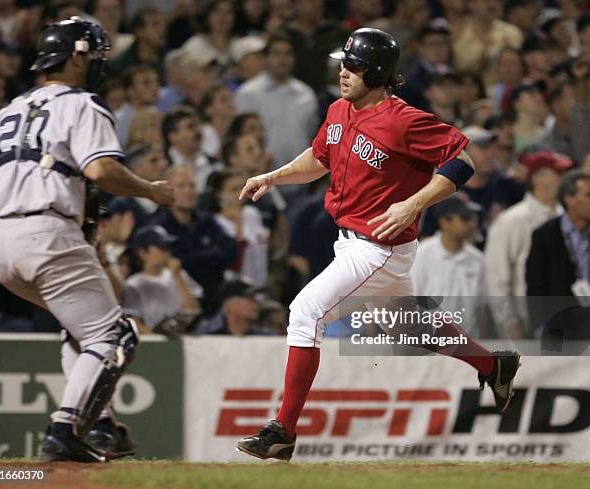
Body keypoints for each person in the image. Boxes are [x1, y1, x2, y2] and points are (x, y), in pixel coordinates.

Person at [235, 28, 521, 462]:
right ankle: (492, 364)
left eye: (352, 66)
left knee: (305, 311)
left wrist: (414, 202)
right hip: (352, 243)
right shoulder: (338, 109)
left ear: (376, 72)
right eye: (343, 63)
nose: (343, 72)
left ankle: (283, 431)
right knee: (404, 324)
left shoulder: (403, 119)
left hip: (379, 247)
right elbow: (318, 158)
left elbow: (462, 160)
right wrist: (272, 176)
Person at [0, 18, 173, 463]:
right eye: (96, 55)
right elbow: (101, 170)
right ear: (77, 56)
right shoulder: (83, 104)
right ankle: (66, 428)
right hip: (45, 233)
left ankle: (102, 425)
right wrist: (150, 190)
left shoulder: (5, 112)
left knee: (80, 329)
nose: (99, 64)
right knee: (115, 335)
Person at [484, 151, 572, 339]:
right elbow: (497, 279)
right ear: (537, 178)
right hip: (527, 324)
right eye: (559, 173)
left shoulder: (569, 217)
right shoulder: (512, 221)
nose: (565, 179)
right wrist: (510, 324)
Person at [150, 166, 237, 317]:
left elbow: (230, 252)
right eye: (181, 186)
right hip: (176, 305)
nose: (188, 191)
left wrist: (189, 259)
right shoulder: (157, 227)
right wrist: (212, 257)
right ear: (167, 190)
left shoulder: (207, 221)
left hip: (214, 301)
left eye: (192, 186)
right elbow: (169, 263)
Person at [235, 32, 319, 175]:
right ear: (266, 59)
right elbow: (240, 138)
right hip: (263, 179)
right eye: (277, 54)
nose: (283, 59)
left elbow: (312, 135)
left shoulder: (306, 94)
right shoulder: (248, 94)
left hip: (302, 180)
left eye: (288, 54)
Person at [526, 169, 590, 338]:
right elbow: (536, 285)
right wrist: (540, 325)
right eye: (588, 195)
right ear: (569, 199)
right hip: (560, 326)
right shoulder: (545, 235)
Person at [412, 197, 487, 337]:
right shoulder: (422, 254)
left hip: (468, 340)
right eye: (465, 218)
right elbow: (411, 301)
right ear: (444, 222)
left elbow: (480, 307)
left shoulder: (478, 259)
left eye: (473, 218)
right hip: (429, 340)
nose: (472, 223)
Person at [122, 225, 202, 330]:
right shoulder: (134, 284)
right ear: (143, 253)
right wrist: (159, 342)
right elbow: (134, 322)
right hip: (151, 342)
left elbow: (194, 311)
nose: (167, 253)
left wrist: (178, 277)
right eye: (162, 248)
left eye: (168, 248)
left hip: (182, 338)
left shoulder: (180, 275)